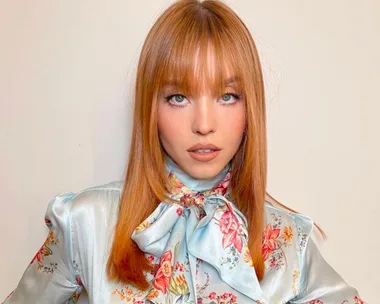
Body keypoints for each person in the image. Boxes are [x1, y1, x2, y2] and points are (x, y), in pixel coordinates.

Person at [2, 0, 366, 303]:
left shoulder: (289, 245)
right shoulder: (86, 224)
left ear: (249, 108)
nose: (204, 124)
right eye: (178, 97)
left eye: (227, 96)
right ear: (151, 108)